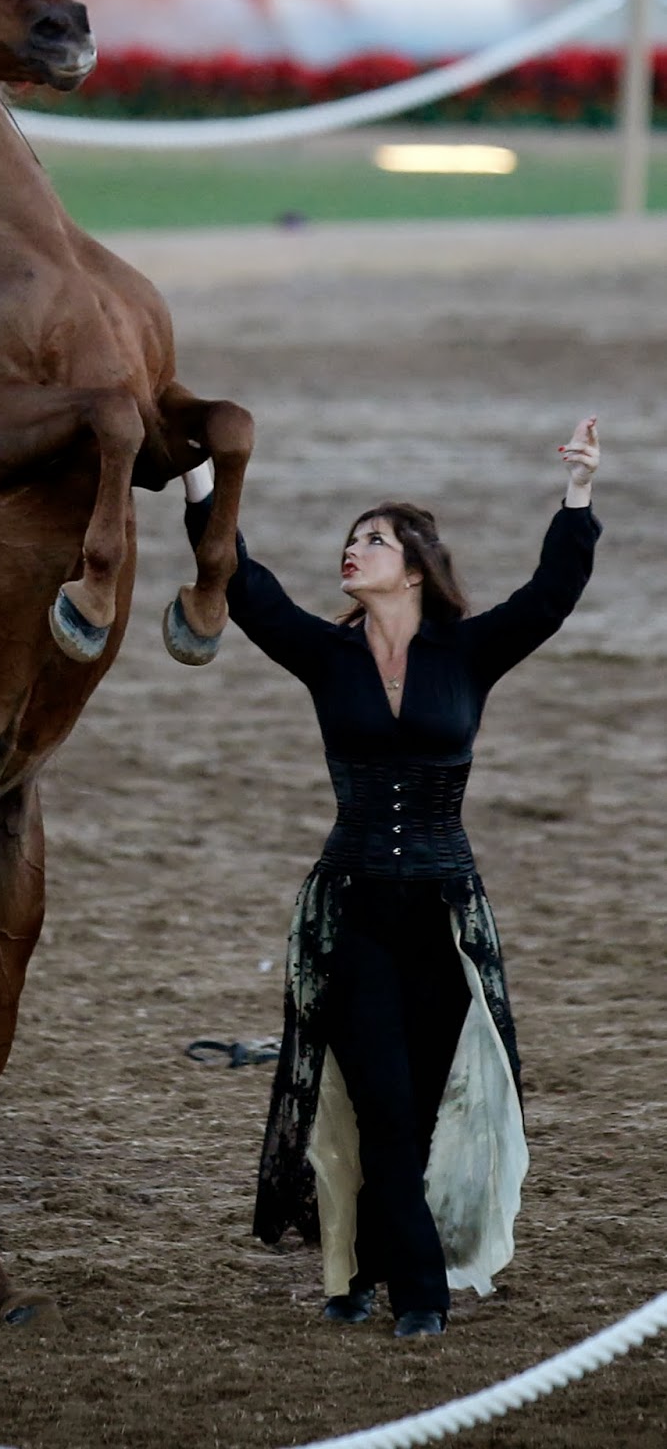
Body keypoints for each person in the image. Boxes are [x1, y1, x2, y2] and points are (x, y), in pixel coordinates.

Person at [181, 415, 601, 1338]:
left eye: (371, 540)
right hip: (353, 909)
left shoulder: (468, 651)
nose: (352, 550)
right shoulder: (324, 655)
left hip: (446, 915)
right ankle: (419, 1295)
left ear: (413, 567)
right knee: (377, 1105)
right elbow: (243, 584)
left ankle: (362, 1267)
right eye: (349, 540)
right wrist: (200, 481)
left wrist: (577, 492)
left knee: (420, 1101)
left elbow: (550, 596)